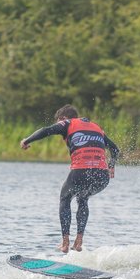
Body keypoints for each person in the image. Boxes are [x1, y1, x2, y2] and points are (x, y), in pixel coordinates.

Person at [20, 104, 120, 253]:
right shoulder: (96, 127)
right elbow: (115, 149)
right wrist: (111, 166)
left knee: (65, 199)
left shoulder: (67, 123)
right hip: (101, 176)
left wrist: (27, 140)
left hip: (81, 171)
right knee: (83, 198)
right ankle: (79, 241)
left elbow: (45, 131)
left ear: (62, 118)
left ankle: (65, 242)